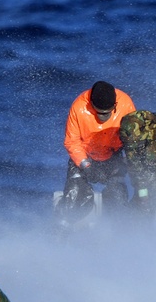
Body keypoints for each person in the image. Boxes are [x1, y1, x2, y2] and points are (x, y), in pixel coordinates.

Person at [55, 80, 136, 224]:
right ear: (91, 105)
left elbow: (134, 138)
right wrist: (86, 166)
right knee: (74, 201)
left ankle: (116, 237)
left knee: (118, 201)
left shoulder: (126, 103)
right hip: (84, 157)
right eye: (99, 113)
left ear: (115, 105)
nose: (103, 117)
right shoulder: (79, 107)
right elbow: (72, 141)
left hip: (113, 155)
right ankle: (63, 222)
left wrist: (130, 161)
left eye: (107, 113)